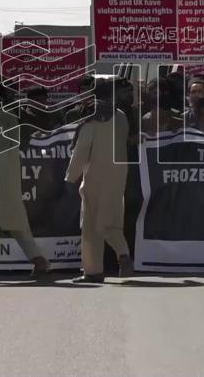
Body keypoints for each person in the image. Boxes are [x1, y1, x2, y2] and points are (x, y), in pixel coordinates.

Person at [0, 87, 50, 283]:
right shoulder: (11, 112)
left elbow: (0, 149)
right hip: (7, 174)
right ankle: (39, 261)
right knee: (15, 223)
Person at [65, 80, 133, 282]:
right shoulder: (121, 116)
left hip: (95, 173)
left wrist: (71, 177)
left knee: (91, 224)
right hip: (119, 173)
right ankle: (121, 255)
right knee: (110, 218)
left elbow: (83, 148)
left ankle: (95, 270)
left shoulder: (92, 118)